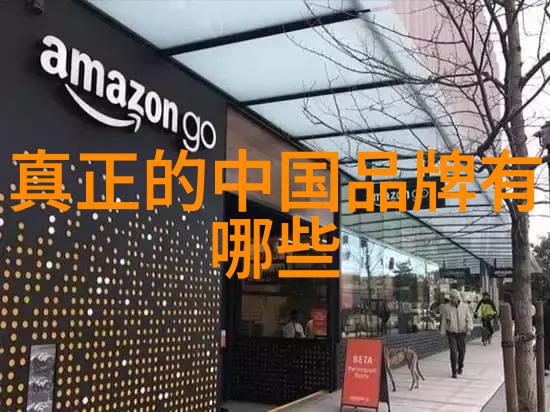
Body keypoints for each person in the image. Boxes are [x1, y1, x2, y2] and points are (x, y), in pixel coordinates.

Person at [440, 289, 473, 378]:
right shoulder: (446, 307)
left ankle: (460, 366)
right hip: (451, 332)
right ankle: (454, 371)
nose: (452, 299)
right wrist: (442, 331)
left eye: (453, 297)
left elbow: (469, 319)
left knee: (462, 351)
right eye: (450, 297)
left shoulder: (464, 307)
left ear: (457, 297)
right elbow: (444, 320)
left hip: (461, 332)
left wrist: (469, 329)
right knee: (453, 351)